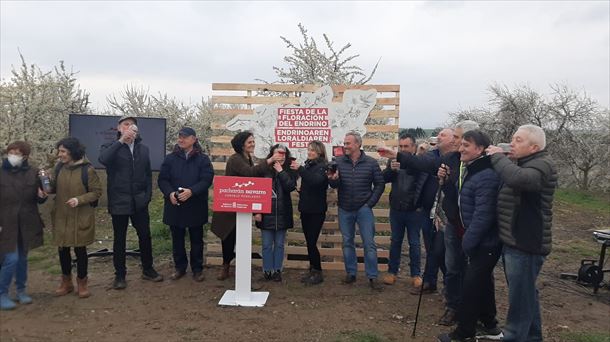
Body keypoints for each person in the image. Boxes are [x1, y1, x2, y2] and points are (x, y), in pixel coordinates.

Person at [486, 125, 557, 342]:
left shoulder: (543, 165)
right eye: (513, 139)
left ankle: (514, 337)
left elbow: (520, 180)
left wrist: (499, 158)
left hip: (527, 243)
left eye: (518, 140)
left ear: (534, 147)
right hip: (516, 241)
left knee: (520, 299)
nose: (512, 143)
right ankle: (533, 337)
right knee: (526, 295)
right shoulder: (525, 163)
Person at [437, 130, 503, 342]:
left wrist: (467, 242)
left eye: (466, 145)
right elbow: (462, 200)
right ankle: (490, 325)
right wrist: (446, 181)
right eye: (461, 144)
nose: (461, 148)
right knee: (482, 283)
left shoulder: (486, 175)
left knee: (472, 286)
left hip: (485, 242)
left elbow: (483, 216)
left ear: (480, 149)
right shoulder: (472, 170)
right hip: (479, 241)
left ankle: (464, 333)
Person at [99, 116, 163, 290]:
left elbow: (148, 174)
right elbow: (103, 160)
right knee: (119, 239)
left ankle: (148, 269)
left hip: (139, 201)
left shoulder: (143, 149)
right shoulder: (110, 147)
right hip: (119, 200)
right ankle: (120, 275)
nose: (129, 127)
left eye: (132, 125)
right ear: (119, 128)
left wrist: (147, 195)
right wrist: (121, 142)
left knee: (145, 235)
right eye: (125, 124)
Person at [211, 131, 282, 281]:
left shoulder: (247, 157)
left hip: (241, 206)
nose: (253, 144)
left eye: (253, 141)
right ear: (241, 144)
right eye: (249, 142)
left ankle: (239, 268)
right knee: (228, 239)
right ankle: (226, 266)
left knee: (239, 238)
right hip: (229, 208)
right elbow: (249, 173)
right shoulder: (235, 159)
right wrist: (268, 161)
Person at [328, 131, 385, 290]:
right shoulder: (338, 162)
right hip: (345, 208)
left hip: (363, 208)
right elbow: (334, 185)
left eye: (348, 143)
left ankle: (372, 276)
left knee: (369, 243)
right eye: (344, 143)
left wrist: (370, 203)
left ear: (358, 144)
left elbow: (379, 184)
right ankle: (351, 273)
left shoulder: (371, 163)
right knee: (347, 242)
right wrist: (333, 180)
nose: (345, 146)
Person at [158, 127, 214, 282]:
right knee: (177, 239)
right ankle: (180, 268)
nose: (181, 140)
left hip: (195, 204)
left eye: (184, 137)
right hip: (175, 204)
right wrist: (169, 193)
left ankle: (197, 269)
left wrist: (192, 191)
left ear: (194, 139)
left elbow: (206, 179)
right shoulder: (170, 159)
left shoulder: (203, 159)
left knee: (196, 239)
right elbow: (162, 179)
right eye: (179, 137)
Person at [52, 137, 102, 298]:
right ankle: (66, 282)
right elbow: (53, 188)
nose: (60, 155)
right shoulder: (59, 168)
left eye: (63, 151)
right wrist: (44, 189)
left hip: (81, 216)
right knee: (63, 249)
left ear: (73, 152)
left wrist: (78, 200)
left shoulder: (87, 170)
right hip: (61, 216)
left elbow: (96, 192)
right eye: (59, 151)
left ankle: (82, 283)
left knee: (80, 250)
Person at [0, 141, 47, 310]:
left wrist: (42, 196)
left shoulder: (33, 173)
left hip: (26, 222)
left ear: (25, 156)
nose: (13, 155)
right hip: (5, 223)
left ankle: (21, 291)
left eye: (17, 153)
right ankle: (2, 293)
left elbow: (39, 198)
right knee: (11, 259)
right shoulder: (1, 172)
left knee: (22, 259)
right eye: (11, 152)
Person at [381, 133, 425, 288]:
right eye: (401, 146)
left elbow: (421, 178)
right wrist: (391, 171)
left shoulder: (419, 161)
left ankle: (415, 274)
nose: (403, 149)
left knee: (414, 243)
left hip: (414, 210)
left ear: (414, 147)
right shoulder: (393, 160)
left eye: (406, 146)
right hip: (397, 209)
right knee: (395, 242)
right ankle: (392, 272)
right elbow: (384, 179)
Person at [254, 144, 298, 282]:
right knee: (267, 244)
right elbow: (256, 190)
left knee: (279, 244)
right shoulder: (264, 169)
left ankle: (277, 270)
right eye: (277, 153)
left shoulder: (290, 169)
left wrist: (281, 171)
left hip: (283, 212)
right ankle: (267, 270)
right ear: (272, 154)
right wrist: (257, 211)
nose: (280, 155)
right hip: (266, 213)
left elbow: (290, 187)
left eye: (283, 153)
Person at [290, 140, 328, 285]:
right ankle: (312, 269)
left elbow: (316, 181)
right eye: (309, 149)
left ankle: (318, 272)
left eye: (313, 150)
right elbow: (309, 183)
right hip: (306, 208)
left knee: (312, 242)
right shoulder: (308, 165)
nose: (309, 152)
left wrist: (301, 169)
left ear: (319, 152)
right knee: (309, 242)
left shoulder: (323, 166)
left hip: (316, 210)